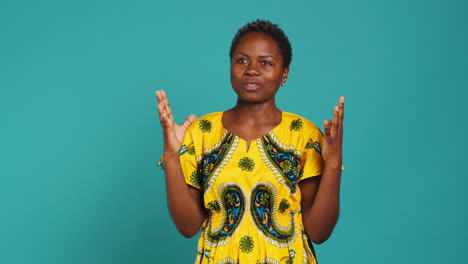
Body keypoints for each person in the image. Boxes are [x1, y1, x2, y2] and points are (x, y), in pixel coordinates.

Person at [156, 19, 344, 264]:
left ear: (284, 73)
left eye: (265, 62)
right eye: (241, 60)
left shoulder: (304, 134)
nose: (251, 69)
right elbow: (188, 227)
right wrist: (171, 158)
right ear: (231, 65)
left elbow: (319, 233)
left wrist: (333, 164)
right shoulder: (201, 132)